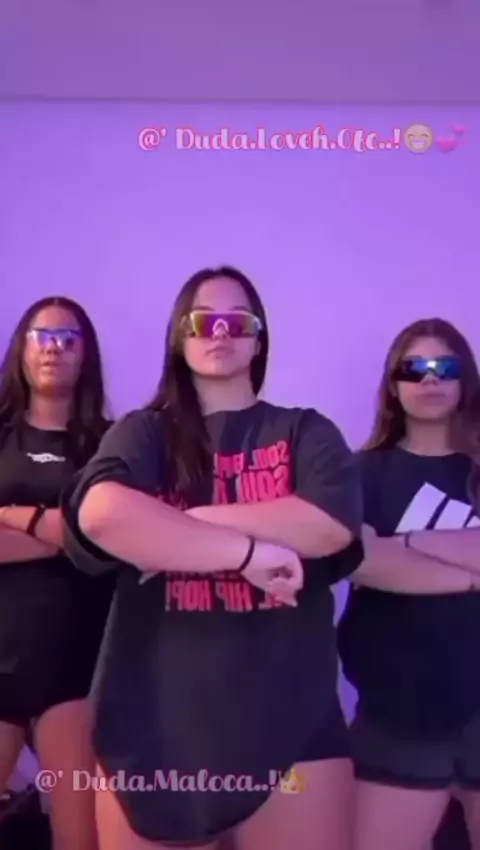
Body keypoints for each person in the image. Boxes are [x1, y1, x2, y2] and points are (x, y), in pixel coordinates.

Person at [61, 265, 364, 850]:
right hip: (152, 729)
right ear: (181, 336)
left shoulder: (305, 431)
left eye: (237, 322)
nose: (220, 333)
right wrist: (248, 554)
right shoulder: (142, 433)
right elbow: (102, 516)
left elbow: (326, 526)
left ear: (258, 340)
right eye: (204, 322)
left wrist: (178, 526)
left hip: (292, 726)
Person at [337, 318, 480, 850]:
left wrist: (406, 544)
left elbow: (385, 555)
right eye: (414, 368)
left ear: (466, 380)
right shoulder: (360, 473)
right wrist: (470, 573)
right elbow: (361, 560)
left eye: (445, 367)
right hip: (398, 714)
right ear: (393, 386)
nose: (430, 379)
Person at [0, 296, 115, 850]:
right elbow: (87, 536)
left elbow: (111, 539)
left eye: (68, 339)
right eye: (42, 336)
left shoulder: (110, 443)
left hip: (76, 667)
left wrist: (14, 517)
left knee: (79, 839)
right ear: (21, 349)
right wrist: (65, 535)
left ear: (85, 356)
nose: (54, 349)